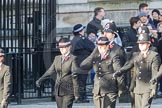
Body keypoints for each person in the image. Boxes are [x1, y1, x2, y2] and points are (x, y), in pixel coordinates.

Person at [113, 33, 161, 108]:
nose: (141, 45)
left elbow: (155, 72)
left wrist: (153, 87)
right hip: (136, 87)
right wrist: (120, 71)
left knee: (145, 106)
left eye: (143, 43)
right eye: (139, 44)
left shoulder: (154, 55)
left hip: (147, 87)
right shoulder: (136, 55)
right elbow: (128, 65)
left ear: (148, 44)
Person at [78, 36, 123, 108]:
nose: (100, 48)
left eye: (102, 46)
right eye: (99, 46)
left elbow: (119, 72)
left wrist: (120, 89)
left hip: (109, 90)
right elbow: (83, 65)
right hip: (97, 89)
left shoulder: (113, 56)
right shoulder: (96, 56)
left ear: (107, 46)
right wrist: (93, 54)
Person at [36, 38, 80, 108]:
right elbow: (50, 71)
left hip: (68, 90)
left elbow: (75, 77)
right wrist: (40, 79)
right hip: (58, 90)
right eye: (60, 48)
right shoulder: (57, 58)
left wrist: (76, 93)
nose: (61, 49)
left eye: (64, 48)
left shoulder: (73, 59)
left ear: (69, 47)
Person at [71, 24, 95, 103]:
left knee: (77, 80)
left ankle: (77, 96)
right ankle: (82, 97)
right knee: (82, 80)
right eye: (83, 30)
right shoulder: (82, 39)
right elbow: (92, 47)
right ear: (80, 32)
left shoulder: (74, 39)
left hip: (76, 61)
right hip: (83, 61)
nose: (84, 31)